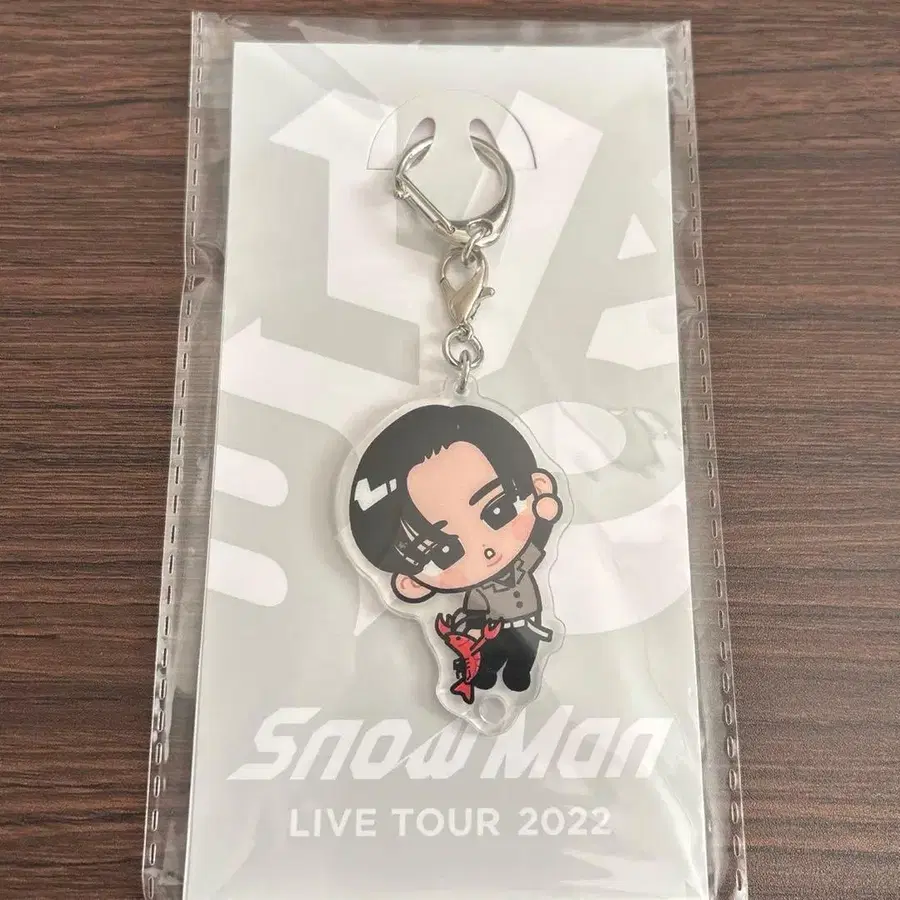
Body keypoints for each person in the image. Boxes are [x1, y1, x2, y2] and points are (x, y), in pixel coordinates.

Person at [349, 403, 562, 693]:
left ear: (538, 488)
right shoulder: (477, 595)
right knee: (488, 658)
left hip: (528, 627)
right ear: (411, 582)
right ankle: (482, 675)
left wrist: (545, 517)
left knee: (522, 662)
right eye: (444, 551)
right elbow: (474, 616)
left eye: (498, 511)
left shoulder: (523, 565)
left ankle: (518, 672)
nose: (486, 550)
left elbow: (537, 539)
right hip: (492, 633)